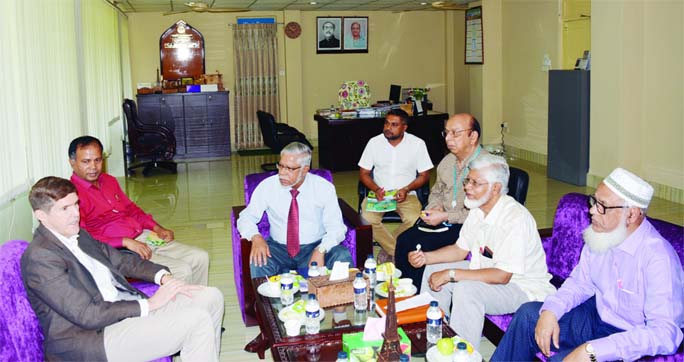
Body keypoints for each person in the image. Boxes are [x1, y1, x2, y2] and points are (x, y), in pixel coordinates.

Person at [21, 176, 224, 362]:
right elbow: (86, 314)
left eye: (76, 204)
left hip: (122, 312)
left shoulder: (78, 234)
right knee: (196, 321)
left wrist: (163, 277)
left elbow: (122, 261)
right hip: (92, 338)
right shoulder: (41, 257)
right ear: (41, 215)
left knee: (211, 297)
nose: (75, 214)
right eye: (65, 209)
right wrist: (150, 304)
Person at [492, 168, 684, 362]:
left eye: (602, 206)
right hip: (596, 318)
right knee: (528, 316)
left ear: (632, 214)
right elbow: (580, 283)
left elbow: (665, 333)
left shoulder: (658, 258)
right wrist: (551, 311)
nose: (592, 210)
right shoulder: (600, 234)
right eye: (594, 201)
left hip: (630, 338)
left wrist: (594, 350)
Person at [409, 154, 555, 349]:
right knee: (433, 269)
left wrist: (451, 275)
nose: (467, 187)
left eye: (475, 183)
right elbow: (460, 250)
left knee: (466, 288)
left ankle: (461, 355)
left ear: (495, 188)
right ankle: (435, 340)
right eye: (468, 180)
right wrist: (426, 258)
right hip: (488, 271)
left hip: (521, 287)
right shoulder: (478, 210)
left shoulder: (515, 218)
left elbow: (502, 275)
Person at [68, 136, 209, 285]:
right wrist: (125, 242)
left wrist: (157, 227)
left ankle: (200, 304)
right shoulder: (71, 196)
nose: (93, 167)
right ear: (72, 162)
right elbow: (83, 238)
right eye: (86, 161)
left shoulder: (109, 181)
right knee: (182, 270)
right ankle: (184, 307)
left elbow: (131, 210)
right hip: (120, 250)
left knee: (200, 257)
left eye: (97, 160)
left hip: (143, 236)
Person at [237, 141, 352, 277]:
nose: (282, 173)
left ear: (304, 170)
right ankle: (272, 299)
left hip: (314, 245)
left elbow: (336, 227)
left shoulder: (323, 188)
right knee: (259, 260)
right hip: (278, 248)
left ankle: (338, 298)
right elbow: (246, 217)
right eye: (280, 166)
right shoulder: (268, 186)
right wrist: (256, 237)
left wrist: (321, 249)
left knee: (342, 255)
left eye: (289, 169)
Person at [395, 113, 484, 288]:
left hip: (469, 225)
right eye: (446, 133)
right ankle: (405, 291)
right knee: (404, 238)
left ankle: (421, 293)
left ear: (472, 136)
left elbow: (481, 212)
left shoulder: (487, 166)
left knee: (419, 245)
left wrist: (445, 216)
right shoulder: (448, 161)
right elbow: (436, 190)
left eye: (455, 133)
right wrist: (434, 206)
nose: (448, 139)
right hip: (444, 220)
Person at [358, 109, 432, 262]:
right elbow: (363, 173)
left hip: (406, 194)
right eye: (386, 123)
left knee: (415, 220)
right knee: (367, 219)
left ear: (404, 127)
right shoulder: (374, 143)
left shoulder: (417, 144)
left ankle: (388, 250)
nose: (388, 128)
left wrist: (406, 189)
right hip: (379, 194)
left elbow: (425, 175)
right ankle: (396, 252)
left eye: (394, 125)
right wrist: (376, 189)